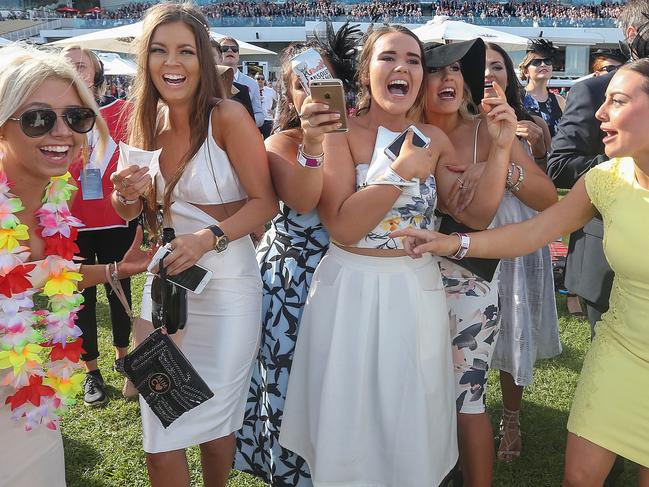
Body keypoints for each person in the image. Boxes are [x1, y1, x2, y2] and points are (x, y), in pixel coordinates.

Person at [392, 57, 649, 487]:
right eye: (603, 102)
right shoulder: (604, 180)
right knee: (580, 477)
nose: (600, 113)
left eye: (617, 102)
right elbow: (534, 231)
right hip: (620, 350)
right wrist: (455, 243)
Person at [280, 25, 518, 487]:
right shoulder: (339, 129)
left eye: (413, 60)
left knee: (411, 415)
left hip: (415, 291)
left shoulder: (432, 135)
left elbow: (476, 214)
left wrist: (503, 147)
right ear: (367, 69)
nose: (402, 68)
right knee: (350, 417)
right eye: (389, 57)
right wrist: (402, 172)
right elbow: (343, 225)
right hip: (349, 288)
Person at [109, 4, 278, 487]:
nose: (172, 62)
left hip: (227, 291)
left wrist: (208, 238)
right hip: (165, 290)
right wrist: (127, 195)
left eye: (185, 50)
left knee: (216, 422)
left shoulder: (227, 116)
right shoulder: (145, 119)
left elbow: (265, 202)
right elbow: (135, 215)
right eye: (159, 51)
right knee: (160, 430)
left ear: (203, 59)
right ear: (146, 61)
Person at [0, 43, 149, 487]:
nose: (62, 131)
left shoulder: (52, 196)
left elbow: (50, 270)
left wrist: (115, 271)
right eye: (38, 118)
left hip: (24, 404)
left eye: (77, 117)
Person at [423, 39, 557, 486]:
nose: (448, 78)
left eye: (457, 71)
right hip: (408, 275)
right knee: (421, 389)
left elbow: (546, 196)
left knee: (467, 398)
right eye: (437, 70)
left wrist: (500, 169)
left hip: (473, 272)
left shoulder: (488, 128)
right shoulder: (404, 129)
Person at [235, 23, 361, 486]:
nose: (315, 88)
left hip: (350, 275)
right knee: (291, 383)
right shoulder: (280, 142)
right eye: (301, 81)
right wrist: (313, 143)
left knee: (340, 381)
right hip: (294, 283)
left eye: (325, 77)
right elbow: (305, 201)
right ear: (289, 93)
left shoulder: (363, 136)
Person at [547, 0, 649, 338]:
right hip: (604, 265)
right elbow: (560, 166)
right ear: (634, 34)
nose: (604, 112)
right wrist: (627, 162)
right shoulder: (591, 91)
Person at [484, 41, 561, 464]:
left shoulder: (528, 121)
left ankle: (510, 419)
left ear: (511, 76)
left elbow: (548, 189)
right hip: (465, 231)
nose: (488, 74)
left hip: (516, 228)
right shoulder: (447, 122)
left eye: (497, 66)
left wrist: (519, 152)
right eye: (480, 66)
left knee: (514, 326)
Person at [62, 44, 137, 406]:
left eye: (82, 63)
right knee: (81, 299)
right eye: (68, 63)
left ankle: (124, 359)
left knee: (119, 289)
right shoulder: (52, 115)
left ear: (96, 71)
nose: (75, 67)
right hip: (69, 220)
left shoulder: (123, 111)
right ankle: (91, 370)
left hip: (114, 217)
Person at [520, 39, 566, 137]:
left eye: (547, 61)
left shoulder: (559, 100)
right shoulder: (517, 98)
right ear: (526, 72)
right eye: (536, 62)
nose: (543, 64)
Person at [219, 36, 264, 128]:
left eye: (234, 49)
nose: (230, 51)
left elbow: (259, 114)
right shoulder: (209, 81)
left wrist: (245, 122)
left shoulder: (252, 84)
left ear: (238, 56)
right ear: (218, 55)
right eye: (225, 48)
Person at [210, 38, 254, 119]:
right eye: (201, 55)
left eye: (211, 55)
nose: (205, 59)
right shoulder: (187, 90)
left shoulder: (241, 90)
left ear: (220, 59)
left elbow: (250, 124)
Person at [255, 72, 277, 138]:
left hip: (267, 120)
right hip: (255, 120)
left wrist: (274, 111)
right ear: (255, 80)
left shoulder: (270, 91)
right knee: (255, 142)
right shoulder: (251, 91)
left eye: (262, 79)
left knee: (268, 141)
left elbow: (279, 101)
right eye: (258, 79)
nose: (260, 80)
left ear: (264, 80)